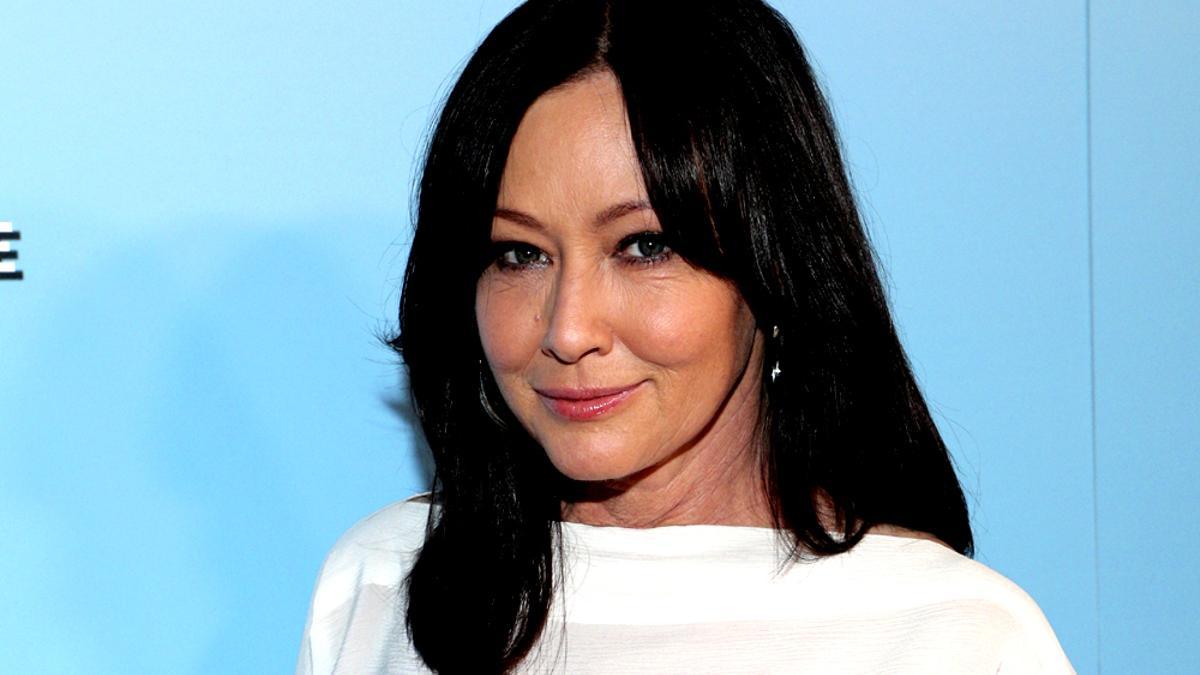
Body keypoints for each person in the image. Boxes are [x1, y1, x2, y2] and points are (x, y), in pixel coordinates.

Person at [297, 0, 1075, 672]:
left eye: (645, 246)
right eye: (519, 254)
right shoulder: (380, 585)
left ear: (776, 269)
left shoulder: (953, 636)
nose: (568, 329)